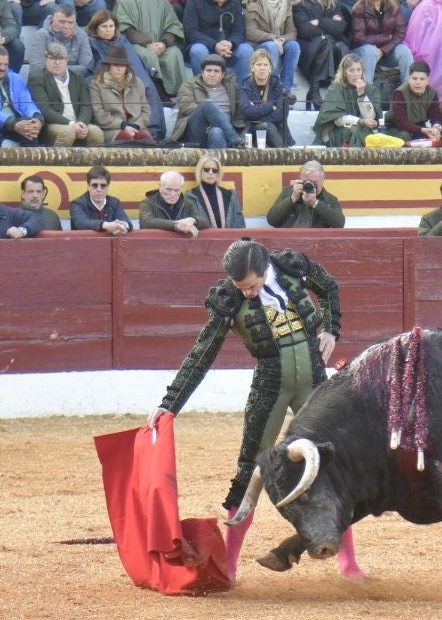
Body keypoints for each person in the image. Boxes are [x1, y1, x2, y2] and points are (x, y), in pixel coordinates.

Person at [144, 238, 356, 581]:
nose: (248, 294)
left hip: (314, 379)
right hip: (270, 385)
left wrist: (331, 328)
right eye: (241, 288)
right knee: (248, 472)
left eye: (253, 286)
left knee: (336, 466)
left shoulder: (291, 267)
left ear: (265, 269)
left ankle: (350, 564)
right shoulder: (229, 299)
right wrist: (170, 404)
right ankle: (228, 564)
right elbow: (202, 354)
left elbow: (330, 287)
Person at [167, 53, 242, 148]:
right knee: (207, 104)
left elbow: (241, 112)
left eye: (216, 71)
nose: (212, 74)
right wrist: (209, 118)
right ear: (202, 73)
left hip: (222, 133)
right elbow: (186, 106)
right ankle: (235, 140)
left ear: (223, 75)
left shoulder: (232, 87)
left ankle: (216, 162)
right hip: (196, 130)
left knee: (216, 132)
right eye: (208, 70)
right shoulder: (189, 85)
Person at [267, 160, 345, 228]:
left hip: (315, 243)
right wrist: (292, 198)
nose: (310, 185)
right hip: (289, 241)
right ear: (300, 178)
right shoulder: (288, 192)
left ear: (323, 178)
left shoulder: (329, 199)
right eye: (306, 181)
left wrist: (315, 203)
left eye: (314, 182)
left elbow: (339, 223)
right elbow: (272, 220)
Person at [137, 170, 208, 237]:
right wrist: (176, 225)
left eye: (176, 190)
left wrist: (193, 220)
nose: (172, 194)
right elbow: (147, 223)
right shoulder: (147, 203)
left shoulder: (187, 202)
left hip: (182, 247)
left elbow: (205, 222)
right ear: (160, 187)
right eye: (168, 189)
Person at [70, 164, 133, 234]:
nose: (99, 190)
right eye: (94, 185)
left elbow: (127, 221)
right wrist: (104, 225)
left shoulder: (114, 202)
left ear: (108, 186)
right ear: (88, 186)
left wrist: (123, 226)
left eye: (103, 185)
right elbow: (81, 223)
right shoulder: (77, 204)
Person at [188, 153, 245, 228]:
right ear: (200, 171)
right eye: (206, 169)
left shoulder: (231, 195)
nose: (210, 173)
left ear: (218, 173)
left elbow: (240, 225)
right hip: (203, 239)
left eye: (214, 170)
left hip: (230, 239)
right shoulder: (190, 196)